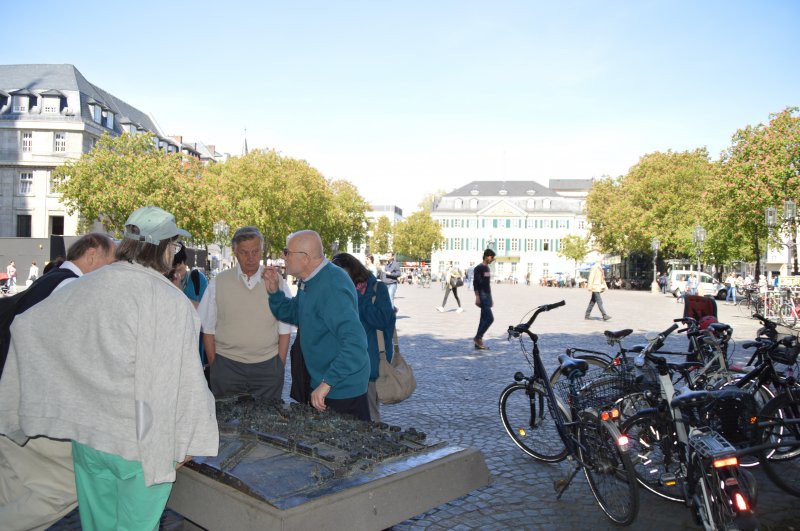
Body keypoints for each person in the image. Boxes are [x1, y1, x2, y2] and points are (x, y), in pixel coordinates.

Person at [0, 206, 218, 531]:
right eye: (173, 245)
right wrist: (191, 439)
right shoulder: (168, 300)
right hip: (140, 444)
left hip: (89, 437)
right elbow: (179, 379)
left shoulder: (86, 284)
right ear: (163, 248)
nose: (174, 253)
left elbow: (28, 325)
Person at [0, 233, 116, 530]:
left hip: (11, 399)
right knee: (67, 484)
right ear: (92, 255)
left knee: (13, 485)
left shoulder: (50, 280)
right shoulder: (72, 288)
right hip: (28, 405)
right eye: (111, 262)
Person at [263, 230, 370, 421]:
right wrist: (274, 292)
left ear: (305, 258)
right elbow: (296, 313)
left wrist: (327, 383)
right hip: (324, 382)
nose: (283, 257)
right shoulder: (310, 279)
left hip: (342, 388)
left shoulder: (332, 286)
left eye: (287, 252)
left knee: (342, 440)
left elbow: (356, 343)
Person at [198, 226, 292, 401]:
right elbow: (208, 329)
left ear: (261, 250)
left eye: (255, 252)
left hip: (267, 368)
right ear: (235, 252)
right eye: (244, 252)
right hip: (227, 367)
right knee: (226, 417)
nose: (250, 258)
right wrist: (215, 366)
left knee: (267, 417)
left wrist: (279, 366)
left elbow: (285, 329)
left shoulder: (276, 282)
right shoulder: (219, 283)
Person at [331, 252, 395, 422]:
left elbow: (383, 320)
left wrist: (357, 297)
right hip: (346, 361)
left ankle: (375, 438)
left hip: (370, 361)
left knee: (369, 413)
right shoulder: (339, 292)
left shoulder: (376, 289)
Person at [472, 249, 496, 350]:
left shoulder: (487, 268)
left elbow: (487, 284)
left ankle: (478, 341)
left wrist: (491, 298)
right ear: (486, 256)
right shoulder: (479, 268)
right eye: (492, 257)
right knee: (490, 318)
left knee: (483, 319)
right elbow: (475, 283)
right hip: (482, 296)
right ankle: (478, 337)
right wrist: (477, 297)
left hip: (487, 296)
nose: (492, 259)